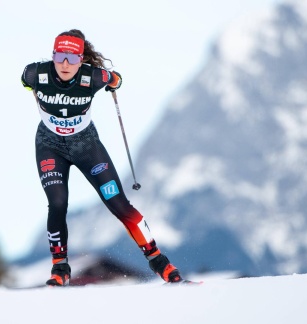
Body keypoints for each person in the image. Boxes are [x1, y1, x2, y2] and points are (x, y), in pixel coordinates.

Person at [21, 29, 188, 286]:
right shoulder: (35, 73)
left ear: (82, 59)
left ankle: (159, 261)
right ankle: (60, 268)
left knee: (118, 203)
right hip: (50, 146)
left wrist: (113, 81)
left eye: (73, 59)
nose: (66, 64)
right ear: (53, 56)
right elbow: (26, 81)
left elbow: (116, 80)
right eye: (61, 57)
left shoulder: (93, 76)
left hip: (86, 146)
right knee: (57, 203)